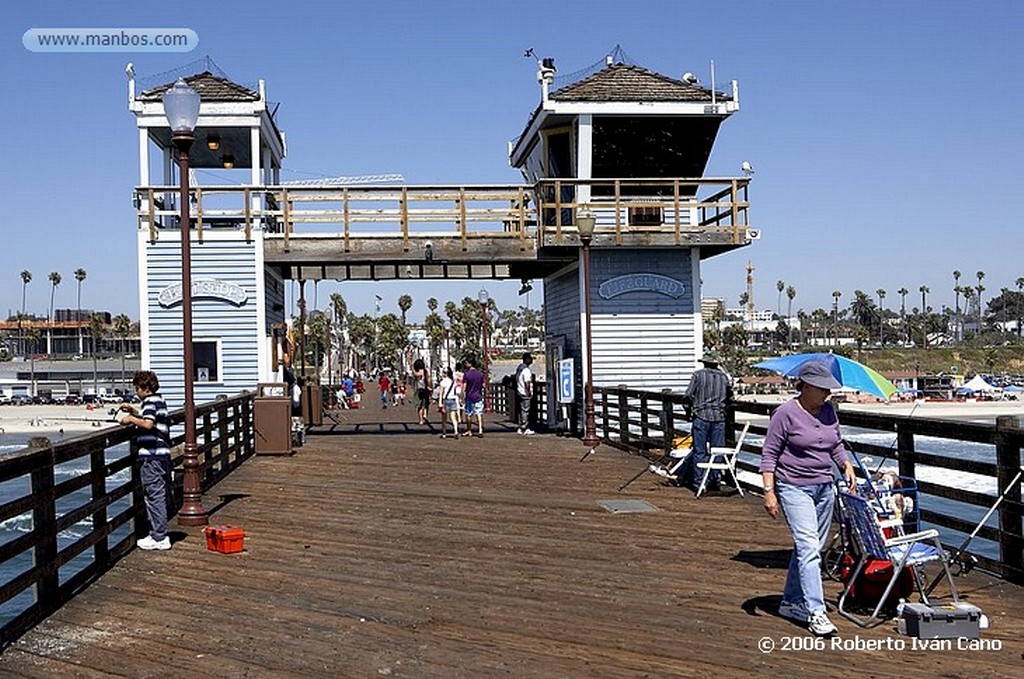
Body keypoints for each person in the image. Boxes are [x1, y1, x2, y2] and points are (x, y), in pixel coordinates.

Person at [760, 360, 856, 637]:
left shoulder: (828, 411)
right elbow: (769, 454)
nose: (828, 394)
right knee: (808, 546)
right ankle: (816, 612)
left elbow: (835, 442)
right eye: (823, 389)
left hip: (824, 487)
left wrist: (845, 465)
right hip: (793, 487)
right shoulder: (785, 413)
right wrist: (769, 492)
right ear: (808, 386)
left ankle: (790, 602)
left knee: (810, 548)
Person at [117, 371, 172, 551]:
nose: (136, 391)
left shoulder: (149, 402)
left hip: (152, 456)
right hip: (162, 455)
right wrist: (134, 411)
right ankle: (158, 533)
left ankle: (159, 537)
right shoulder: (159, 400)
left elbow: (148, 424)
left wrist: (130, 419)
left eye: (137, 388)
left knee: (154, 495)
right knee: (158, 494)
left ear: (145, 389)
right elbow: (151, 418)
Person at [681, 352, 732, 492]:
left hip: (701, 416)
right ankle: (714, 480)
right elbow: (729, 396)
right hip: (719, 417)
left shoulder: (698, 375)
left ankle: (699, 483)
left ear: (704, 362)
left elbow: (688, 396)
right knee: (718, 451)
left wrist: (688, 410)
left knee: (700, 451)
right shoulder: (723, 377)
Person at [461, 355, 485, 437]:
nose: (465, 364)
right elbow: (484, 385)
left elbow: (464, 387)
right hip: (478, 396)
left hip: (469, 396)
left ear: (470, 364)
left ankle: (469, 430)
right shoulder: (480, 374)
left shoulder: (466, 375)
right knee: (479, 413)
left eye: (467, 362)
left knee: (468, 414)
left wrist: (461, 396)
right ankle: (480, 430)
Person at [437, 367, 461, 438]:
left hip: (445, 400)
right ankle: (456, 431)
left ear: (445, 373)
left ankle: (444, 433)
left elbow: (441, 393)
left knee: (444, 418)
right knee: (453, 417)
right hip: (453, 399)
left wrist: (440, 403)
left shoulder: (442, 382)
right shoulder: (453, 381)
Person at [515, 352, 535, 435]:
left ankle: (520, 427)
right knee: (525, 410)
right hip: (524, 392)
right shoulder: (526, 370)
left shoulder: (519, 367)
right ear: (527, 359)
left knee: (521, 410)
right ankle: (525, 428)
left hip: (519, 390)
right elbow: (527, 382)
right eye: (530, 358)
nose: (531, 360)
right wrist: (529, 392)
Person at [413, 358, 431, 425]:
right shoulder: (426, 371)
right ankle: (425, 414)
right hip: (426, 388)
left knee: (419, 406)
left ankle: (420, 420)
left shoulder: (417, 372)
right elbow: (429, 379)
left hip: (419, 389)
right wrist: (430, 386)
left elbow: (414, 374)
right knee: (426, 403)